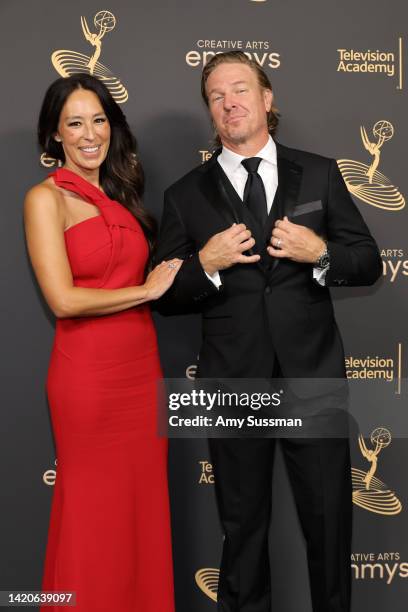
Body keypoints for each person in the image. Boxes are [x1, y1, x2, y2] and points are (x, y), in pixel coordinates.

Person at [156, 51, 382, 612]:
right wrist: (205, 264)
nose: (229, 102)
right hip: (233, 383)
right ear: (210, 112)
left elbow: (370, 260)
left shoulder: (322, 173)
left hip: (314, 377)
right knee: (243, 527)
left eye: (240, 89)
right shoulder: (185, 195)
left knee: (329, 524)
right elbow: (164, 295)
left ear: (266, 98)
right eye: (216, 95)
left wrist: (321, 251)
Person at [24, 74, 181, 612]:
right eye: (75, 123)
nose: (90, 134)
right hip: (88, 379)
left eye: (99, 120)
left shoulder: (122, 194)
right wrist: (145, 291)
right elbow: (63, 301)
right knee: (93, 518)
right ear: (55, 136)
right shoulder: (44, 200)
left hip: (141, 374)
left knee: (141, 514)